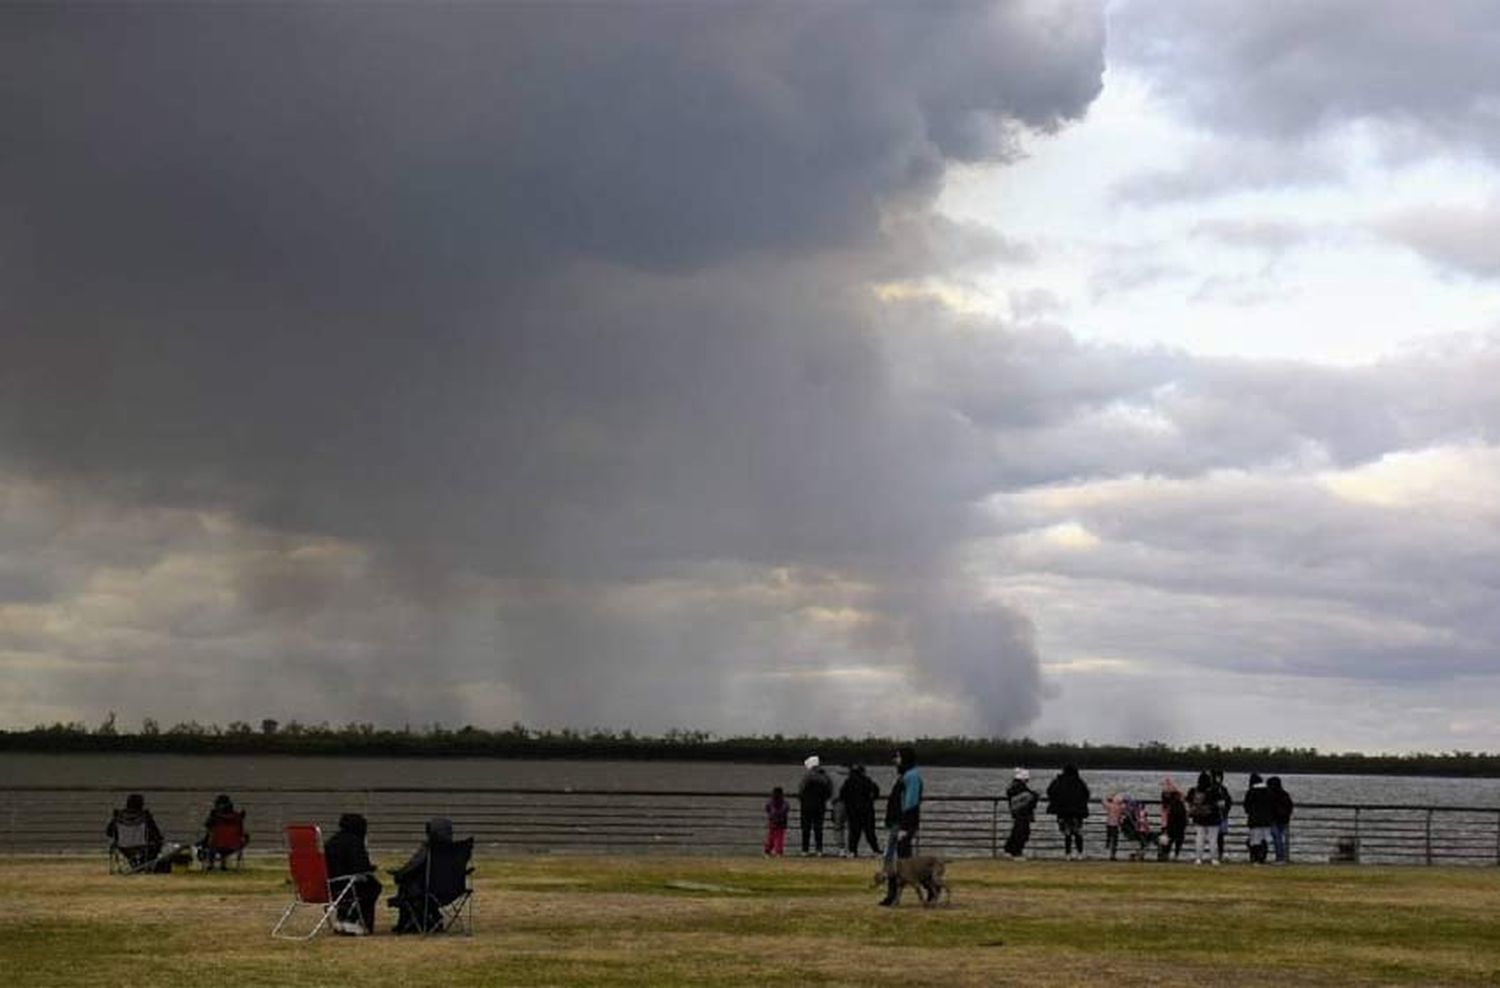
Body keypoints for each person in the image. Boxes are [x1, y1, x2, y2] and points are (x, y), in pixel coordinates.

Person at [389, 817, 457, 934]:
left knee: (406, 885)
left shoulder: (429, 848)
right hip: (452, 890)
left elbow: (414, 865)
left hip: (428, 890)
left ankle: (406, 922)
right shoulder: (456, 849)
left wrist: (399, 873)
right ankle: (432, 919)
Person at [878, 744, 923, 907]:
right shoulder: (905, 775)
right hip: (896, 823)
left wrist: (905, 827)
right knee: (893, 860)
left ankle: (896, 895)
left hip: (902, 824)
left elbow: (911, 803)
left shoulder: (912, 777)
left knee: (902, 863)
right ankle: (891, 895)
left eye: (897, 757)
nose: (895, 760)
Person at [324, 812, 382, 934]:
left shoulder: (332, 841)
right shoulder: (354, 842)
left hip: (329, 885)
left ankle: (343, 916)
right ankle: (356, 921)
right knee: (373, 886)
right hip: (346, 883)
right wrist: (371, 868)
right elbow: (361, 867)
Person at [106, 793, 164, 871]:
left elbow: (109, 832)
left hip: (123, 847)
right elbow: (155, 833)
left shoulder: (119, 817)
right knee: (157, 843)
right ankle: (145, 864)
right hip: (142, 846)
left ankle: (134, 862)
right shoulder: (145, 816)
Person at [1045, 764, 1090, 860]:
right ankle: (1080, 853)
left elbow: (1050, 792)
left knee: (1067, 833)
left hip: (1063, 812)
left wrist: (1056, 804)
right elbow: (1086, 794)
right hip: (1077, 813)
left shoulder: (1058, 781)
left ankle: (1068, 854)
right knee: (1078, 833)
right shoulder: (1079, 782)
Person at [840, 764, 881, 858]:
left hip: (853, 811)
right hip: (867, 810)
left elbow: (842, 795)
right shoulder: (867, 781)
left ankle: (852, 851)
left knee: (854, 832)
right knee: (870, 832)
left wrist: (848, 803)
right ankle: (876, 850)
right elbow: (876, 791)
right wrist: (871, 799)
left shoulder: (848, 782)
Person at [198, 793, 248, 870]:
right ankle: (223, 864)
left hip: (217, 845)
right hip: (234, 846)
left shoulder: (215, 816)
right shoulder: (237, 817)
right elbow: (241, 832)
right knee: (225, 838)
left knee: (212, 838)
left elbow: (207, 826)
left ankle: (211, 864)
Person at [797, 755, 834, 856]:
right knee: (818, 828)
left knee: (806, 828)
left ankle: (805, 850)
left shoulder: (807, 776)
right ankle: (819, 850)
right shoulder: (825, 777)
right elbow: (830, 791)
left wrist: (803, 800)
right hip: (820, 805)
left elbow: (801, 791)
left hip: (807, 805)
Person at [1186, 771, 1222, 865]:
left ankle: (1198, 858)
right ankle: (1214, 859)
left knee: (1199, 838)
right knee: (1213, 839)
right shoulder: (1214, 790)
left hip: (1198, 817)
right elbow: (1221, 803)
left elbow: (1188, 801)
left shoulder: (1194, 790)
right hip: (1213, 818)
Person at [1003, 768, 1038, 859]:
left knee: (1018, 831)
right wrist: (1034, 796)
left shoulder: (1014, 788)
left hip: (1018, 812)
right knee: (1022, 832)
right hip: (1023, 813)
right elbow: (1029, 798)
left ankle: (1010, 849)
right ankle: (1016, 851)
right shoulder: (1021, 788)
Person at [1242, 773, 1273, 864]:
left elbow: (1247, 806)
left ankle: (1255, 858)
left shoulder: (1251, 792)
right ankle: (1263, 857)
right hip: (1267, 820)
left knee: (1255, 840)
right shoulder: (1268, 791)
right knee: (1265, 839)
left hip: (1254, 820)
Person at [1158, 777, 1187, 861]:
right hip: (1178, 820)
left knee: (1169, 838)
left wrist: (1164, 824)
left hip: (1171, 820)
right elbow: (1184, 796)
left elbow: (1164, 811)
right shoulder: (1178, 799)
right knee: (1177, 838)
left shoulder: (1167, 801)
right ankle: (1174, 854)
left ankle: (1166, 854)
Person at [1267, 776, 1294, 863]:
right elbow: (1290, 807)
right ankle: (1281, 857)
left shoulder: (1270, 794)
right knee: (1280, 839)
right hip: (1284, 820)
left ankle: (1280, 857)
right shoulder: (1285, 794)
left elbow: (1269, 807)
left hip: (1274, 819)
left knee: (1277, 839)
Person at [1210, 768, 1234, 861]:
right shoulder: (1221, 789)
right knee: (1218, 837)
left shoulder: (1222, 789)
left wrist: (1225, 810)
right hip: (1218, 815)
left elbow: (1228, 801)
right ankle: (1217, 854)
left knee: (1218, 837)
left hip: (1219, 816)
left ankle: (1218, 854)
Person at [764, 787, 790, 857]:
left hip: (772, 821)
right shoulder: (784, 803)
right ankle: (778, 851)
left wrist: (771, 815)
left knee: (771, 837)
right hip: (781, 822)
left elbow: (767, 809)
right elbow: (786, 809)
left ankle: (768, 850)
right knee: (779, 838)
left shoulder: (770, 802)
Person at [1102, 792, 1126, 861]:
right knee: (1115, 839)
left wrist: (1108, 797)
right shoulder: (1120, 807)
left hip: (1109, 823)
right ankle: (1113, 854)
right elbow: (1124, 806)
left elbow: (1104, 802)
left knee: (1109, 836)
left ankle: (1108, 845)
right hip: (1116, 825)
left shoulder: (1110, 806)